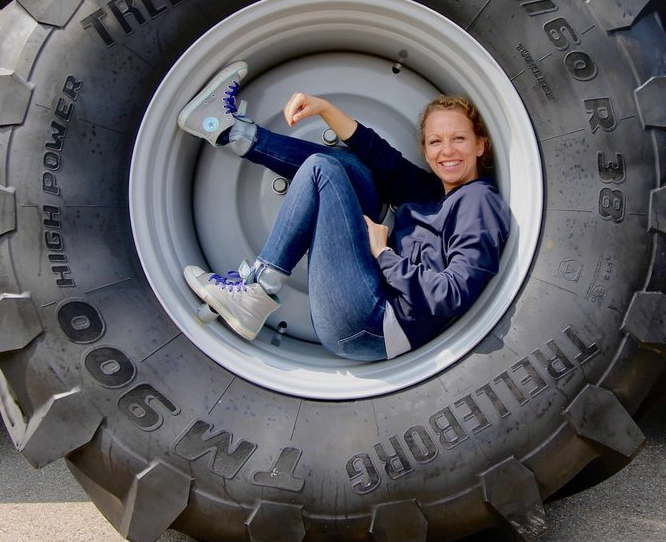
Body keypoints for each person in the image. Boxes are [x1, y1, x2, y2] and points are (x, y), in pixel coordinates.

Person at [176, 61, 510, 361]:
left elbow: (451, 295)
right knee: (352, 167)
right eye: (436, 142)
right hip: (372, 296)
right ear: (425, 150)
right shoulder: (430, 192)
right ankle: (229, 131)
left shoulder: (478, 201)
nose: (447, 151)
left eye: (459, 139)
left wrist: (383, 254)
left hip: (375, 324)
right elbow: (379, 155)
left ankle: (257, 290)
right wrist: (323, 108)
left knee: (322, 169)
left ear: (480, 145)